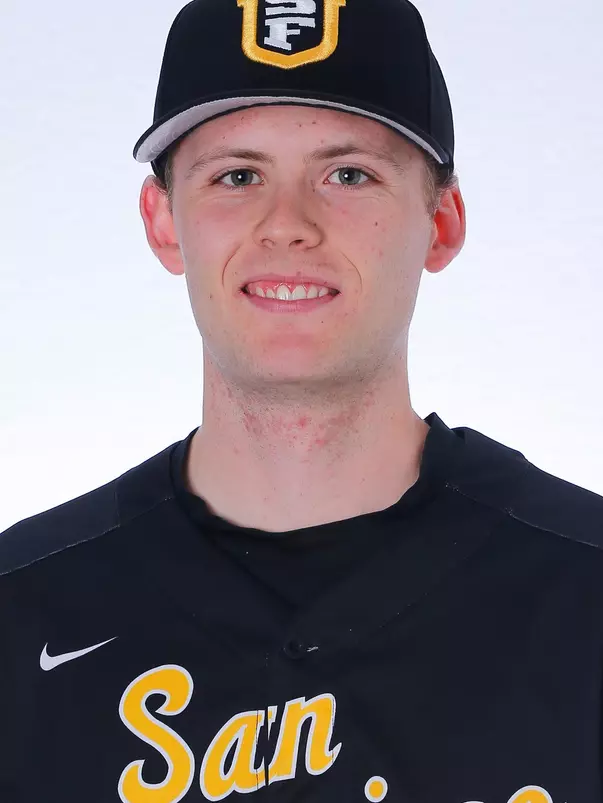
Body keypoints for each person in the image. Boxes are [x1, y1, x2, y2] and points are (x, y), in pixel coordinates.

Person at [1, 1, 602, 801]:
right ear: (164, 222)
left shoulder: (582, 592)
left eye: (347, 174)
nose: (286, 225)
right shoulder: (21, 611)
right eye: (237, 176)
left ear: (441, 222)